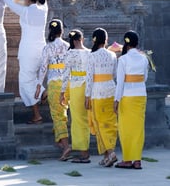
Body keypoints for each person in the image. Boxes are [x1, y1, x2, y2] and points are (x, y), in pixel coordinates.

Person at [5, 0, 48, 124]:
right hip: (42, 49)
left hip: (28, 50)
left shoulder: (25, 11)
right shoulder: (44, 9)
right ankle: (42, 93)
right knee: (34, 79)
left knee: (26, 82)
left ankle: (40, 103)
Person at [35, 19, 71, 161]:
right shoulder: (68, 46)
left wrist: (39, 85)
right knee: (63, 113)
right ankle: (61, 141)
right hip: (68, 83)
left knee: (58, 116)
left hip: (55, 84)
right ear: (62, 31)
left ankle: (66, 146)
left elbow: (43, 68)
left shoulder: (48, 48)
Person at [114, 30, 149, 170]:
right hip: (141, 95)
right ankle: (137, 159)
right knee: (138, 129)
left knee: (126, 128)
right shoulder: (144, 58)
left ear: (126, 43)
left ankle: (128, 159)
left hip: (127, 96)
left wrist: (116, 100)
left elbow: (120, 82)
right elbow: (145, 78)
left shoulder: (123, 60)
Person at [85, 27, 118, 167]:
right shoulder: (112, 55)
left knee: (100, 124)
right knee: (110, 123)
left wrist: (87, 96)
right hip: (111, 89)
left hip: (97, 92)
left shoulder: (91, 56)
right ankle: (106, 156)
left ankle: (110, 153)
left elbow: (89, 78)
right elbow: (115, 74)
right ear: (106, 40)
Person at [60, 29, 91, 163]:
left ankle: (84, 153)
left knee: (78, 120)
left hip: (77, 87)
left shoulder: (70, 54)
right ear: (82, 39)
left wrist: (62, 93)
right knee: (86, 119)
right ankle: (86, 150)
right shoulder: (90, 53)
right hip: (89, 86)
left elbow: (66, 75)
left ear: (72, 41)